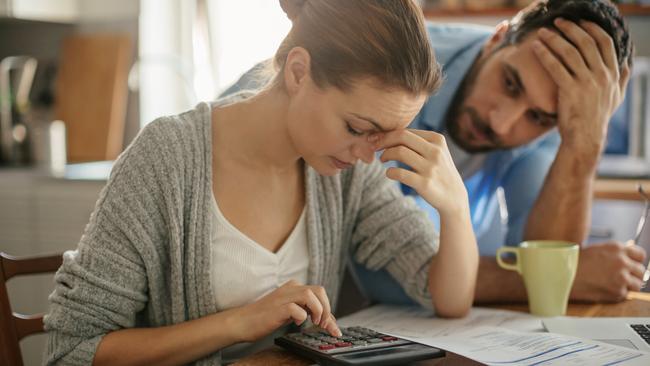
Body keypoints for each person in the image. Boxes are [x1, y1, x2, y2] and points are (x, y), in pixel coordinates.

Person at [44, 1, 478, 365]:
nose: (369, 154)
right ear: (298, 71)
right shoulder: (166, 159)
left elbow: (447, 298)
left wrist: (454, 208)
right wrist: (238, 322)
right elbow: (72, 350)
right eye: (357, 127)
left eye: (384, 136)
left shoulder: (344, 173)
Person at [224, 0, 646, 307]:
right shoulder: (396, 78)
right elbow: (392, 277)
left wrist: (584, 144)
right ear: (497, 38)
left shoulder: (556, 120)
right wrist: (565, 280)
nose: (503, 123)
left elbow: (545, 275)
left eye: (538, 117)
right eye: (510, 84)